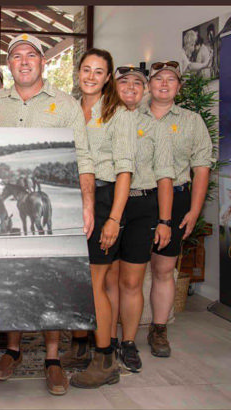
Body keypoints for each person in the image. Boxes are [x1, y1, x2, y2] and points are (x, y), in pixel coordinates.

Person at [0, 34, 95, 396]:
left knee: (50, 276)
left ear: (42, 62)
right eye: (17, 56)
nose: (24, 61)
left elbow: (84, 157)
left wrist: (88, 204)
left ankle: (52, 359)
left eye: (31, 55)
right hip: (9, 206)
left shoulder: (65, 104)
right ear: (9, 65)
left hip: (43, 195)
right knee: (15, 272)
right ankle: (12, 351)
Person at [67, 48, 135, 389]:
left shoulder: (119, 114)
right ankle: (81, 347)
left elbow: (125, 170)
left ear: (108, 77)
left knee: (94, 283)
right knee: (78, 281)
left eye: (99, 72)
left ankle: (105, 358)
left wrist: (114, 220)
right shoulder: (70, 108)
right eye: (86, 69)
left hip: (106, 198)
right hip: (74, 198)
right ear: (78, 72)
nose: (91, 76)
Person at [102, 66, 174, 373]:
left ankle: (128, 342)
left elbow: (166, 175)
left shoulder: (154, 125)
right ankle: (107, 341)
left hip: (142, 206)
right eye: (124, 81)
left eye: (137, 83)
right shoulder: (101, 117)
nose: (131, 86)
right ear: (113, 86)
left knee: (131, 281)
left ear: (144, 90)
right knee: (108, 279)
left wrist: (165, 221)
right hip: (108, 204)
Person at [144, 61, 212, 358]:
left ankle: (159, 328)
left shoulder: (192, 121)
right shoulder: (131, 116)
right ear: (149, 85)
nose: (164, 83)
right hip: (137, 197)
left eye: (171, 79)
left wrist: (195, 210)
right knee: (125, 271)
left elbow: (201, 168)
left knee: (164, 268)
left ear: (179, 87)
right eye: (158, 79)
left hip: (178, 198)